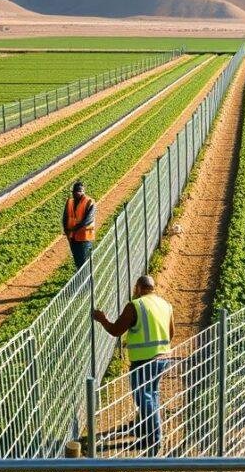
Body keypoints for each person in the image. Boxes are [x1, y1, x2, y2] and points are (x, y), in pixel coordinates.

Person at [93, 275, 174, 455]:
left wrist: (102, 319)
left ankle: (154, 439)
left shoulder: (135, 306)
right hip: (163, 357)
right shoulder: (165, 304)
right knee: (152, 394)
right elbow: (171, 333)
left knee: (143, 397)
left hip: (143, 360)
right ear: (153, 288)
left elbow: (116, 331)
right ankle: (148, 432)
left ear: (138, 288)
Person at [62, 181, 96, 270]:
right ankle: (80, 279)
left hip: (85, 237)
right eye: (75, 191)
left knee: (84, 262)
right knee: (77, 260)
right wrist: (66, 230)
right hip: (72, 237)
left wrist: (74, 229)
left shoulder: (89, 202)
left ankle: (87, 282)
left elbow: (88, 219)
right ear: (72, 192)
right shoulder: (69, 202)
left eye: (79, 191)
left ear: (83, 192)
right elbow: (65, 217)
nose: (77, 193)